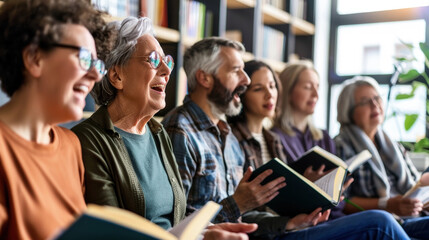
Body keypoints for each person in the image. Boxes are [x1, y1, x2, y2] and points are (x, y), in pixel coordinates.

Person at [162, 37, 411, 240]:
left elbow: (243, 216)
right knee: (380, 222)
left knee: (389, 224)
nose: (246, 81)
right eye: (237, 71)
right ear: (204, 78)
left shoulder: (226, 137)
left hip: (262, 232)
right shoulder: (180, 130)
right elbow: (178, 226)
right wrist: (239, 203)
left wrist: (289, 222)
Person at [71, 16, 257, 240]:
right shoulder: (87, 141)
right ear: (117, 75)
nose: (166, 71)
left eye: (166, 61)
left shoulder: (158, 134)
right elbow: (114, 234)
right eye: (152, 60)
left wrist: (206, 233)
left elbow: (174, 225)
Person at [0, 0, 111, 239]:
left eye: (97, 65)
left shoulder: (71, 146)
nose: (94, 76)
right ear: (34, 59)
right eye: (83, 58)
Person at [334, 76, 429, 239]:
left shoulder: (392, 144)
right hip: (382, 221)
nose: (374, 104)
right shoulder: (341, 144)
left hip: (409, 216)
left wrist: (423, 203)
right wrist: (389, 205)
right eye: (365, 101)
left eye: (377, 98)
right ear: (348, 111)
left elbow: (416, 183)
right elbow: (343, 202)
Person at [271, 60, 347, 220]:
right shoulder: (274, 137)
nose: (316, 94)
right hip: (304, 222)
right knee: (380, 220)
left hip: (333, 217)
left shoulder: (323, 137)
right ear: (288, 90)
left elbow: (338, 202)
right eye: (307, 87)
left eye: (317, 87)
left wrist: (338, 189)